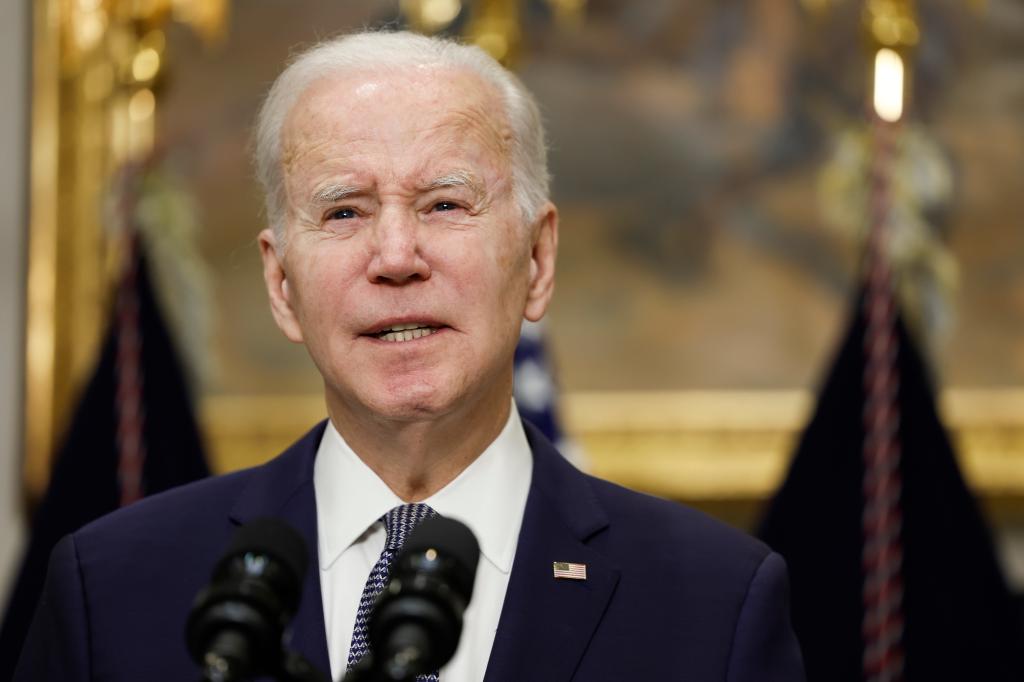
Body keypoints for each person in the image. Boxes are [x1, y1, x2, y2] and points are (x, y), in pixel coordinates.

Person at [16, 30, 805, 681]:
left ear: (537, 259)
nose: (396, 255)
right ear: (281, 281)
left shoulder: (713, 604)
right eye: (344, 210)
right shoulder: (113, 590)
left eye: (446, 205)